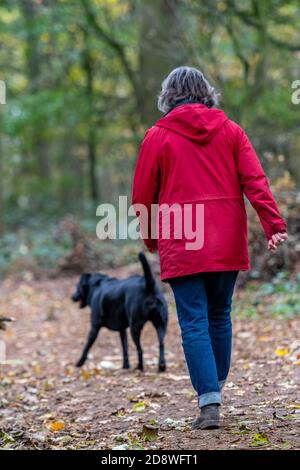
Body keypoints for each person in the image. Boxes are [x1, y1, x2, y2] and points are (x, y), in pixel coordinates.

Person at [132, 66, 288, 430]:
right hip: (224, 236)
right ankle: (213, 388)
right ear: (206, 92)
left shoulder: (157, 136)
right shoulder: (231, 131)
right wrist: (273, 224)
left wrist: (152, 238)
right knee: (219, 315)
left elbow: (142, 195)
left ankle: (209, 398)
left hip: (182, 237)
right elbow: (255, 180)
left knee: (194, 321)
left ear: (168, 95)